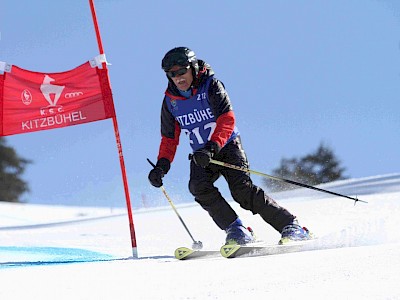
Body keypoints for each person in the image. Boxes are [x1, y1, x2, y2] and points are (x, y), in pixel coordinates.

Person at [148, 47, 311, 245]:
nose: (178, 78)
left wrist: (212, 147)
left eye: (181, 71)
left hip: (226, 146)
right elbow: (169, 139)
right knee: (198, 187)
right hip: (202, 155)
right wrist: (161, 166)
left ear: (192, 67)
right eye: (172, 74)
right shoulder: (170, 101)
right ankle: (237, 230)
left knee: (241, 191)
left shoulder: (211, 85)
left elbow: (227, 120)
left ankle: (292, 226)